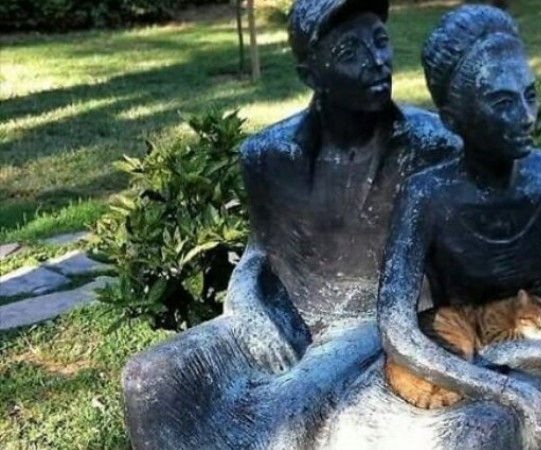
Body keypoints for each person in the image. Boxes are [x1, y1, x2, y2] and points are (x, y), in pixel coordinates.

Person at [121, 0, 459, 448]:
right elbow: (259, 250)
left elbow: (449, 276)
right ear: (310, 74)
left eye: (380, 41)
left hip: (385, 324)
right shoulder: (268, 155)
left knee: (288, 406)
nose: (377, 61)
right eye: (350, 52)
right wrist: (247, 310)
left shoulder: (435, 147)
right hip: (286, 316)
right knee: (148, 378)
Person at [376, 5, 541, 449]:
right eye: (502, 102)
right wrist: (489, 380)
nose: (527, 115)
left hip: (530, 360)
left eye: (530, 94)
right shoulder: (426, 194)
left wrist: (516, 357)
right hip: (451, 358)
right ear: (452, 118)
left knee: (473, 436)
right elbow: (395, 326)